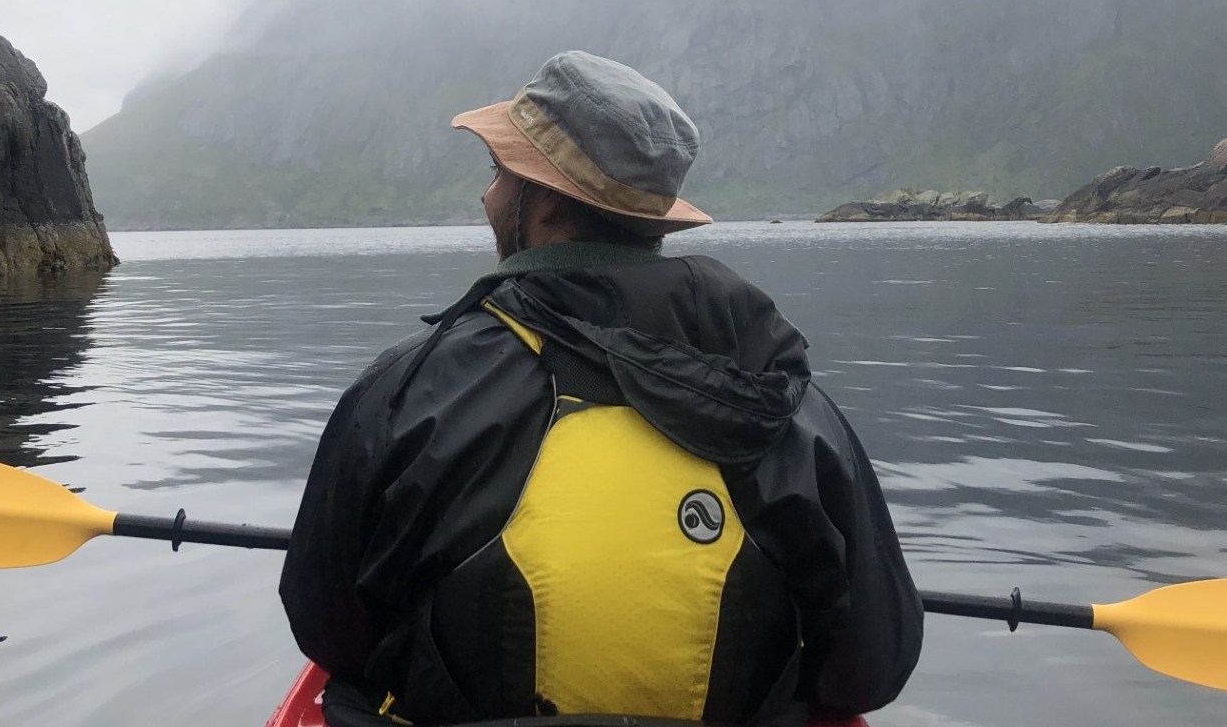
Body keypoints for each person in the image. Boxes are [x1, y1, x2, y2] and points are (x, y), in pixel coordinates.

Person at [281, 51, 922, 727]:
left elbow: (328, 632)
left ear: (548, 202)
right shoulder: (792, 405)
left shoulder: (401, 393)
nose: (487, 195)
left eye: (500, 173)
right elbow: (870, 668)